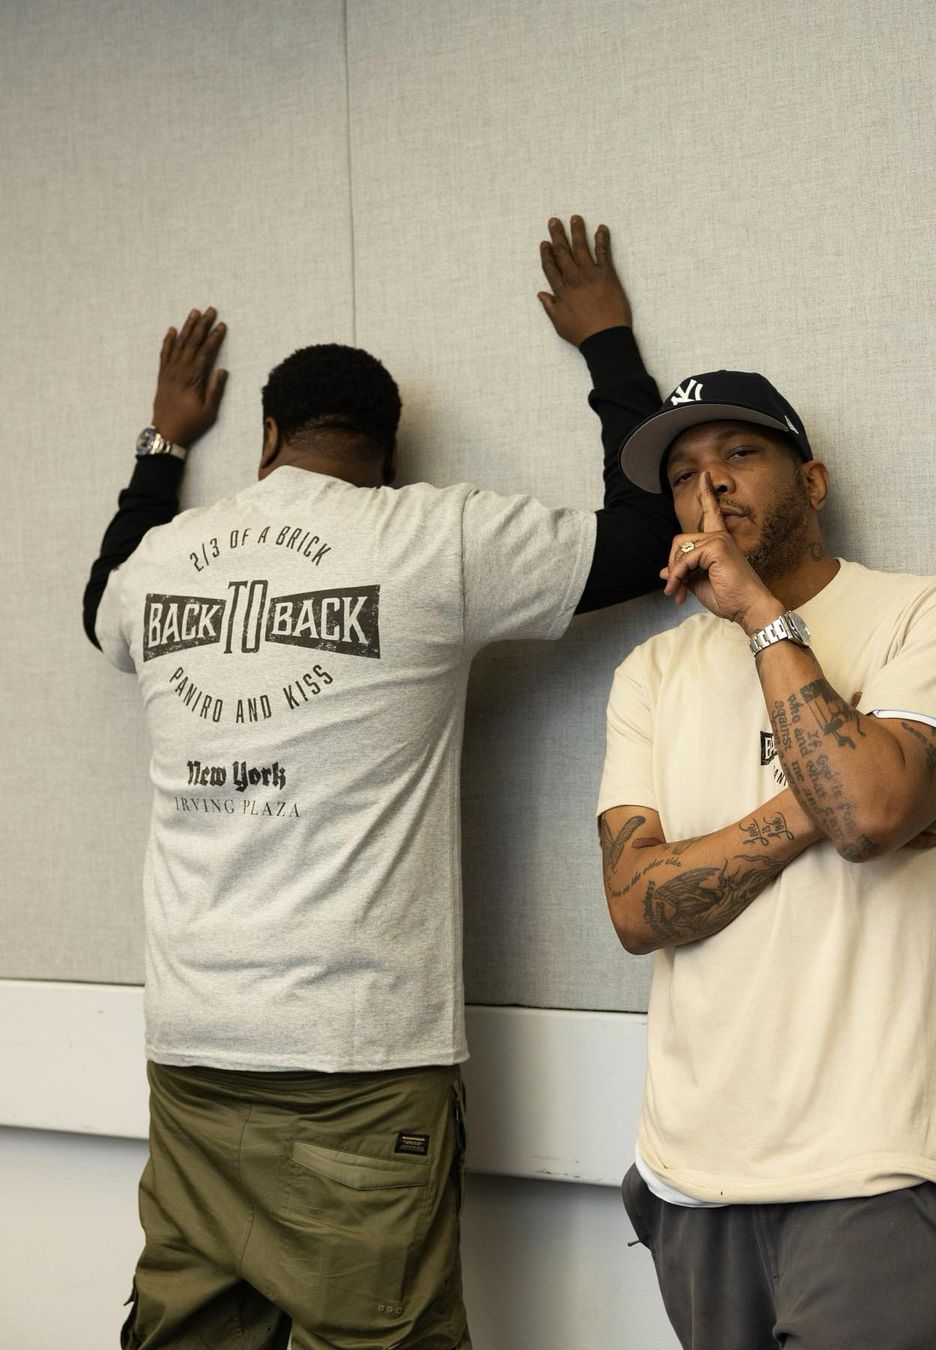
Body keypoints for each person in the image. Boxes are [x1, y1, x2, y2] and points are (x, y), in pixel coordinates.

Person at [83, 218, 674, 1350]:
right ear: (389, 454)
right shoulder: (431, 539)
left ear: (267, 436)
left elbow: (95, 603)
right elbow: (649, 534)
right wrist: (606, 342)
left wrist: (163, 444)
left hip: (193, 1047)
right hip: (355, 1063)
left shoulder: (162, 563)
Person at [594, 353, 936, 1347]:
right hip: (693, 1177)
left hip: (881, 1171)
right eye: (683, 473)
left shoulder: (931, 615)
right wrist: (815, 806)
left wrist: (760, 615)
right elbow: (636, 905)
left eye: (740, 454)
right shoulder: (651, 672)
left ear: (814, 481)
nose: (709, 485)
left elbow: (869, 816)